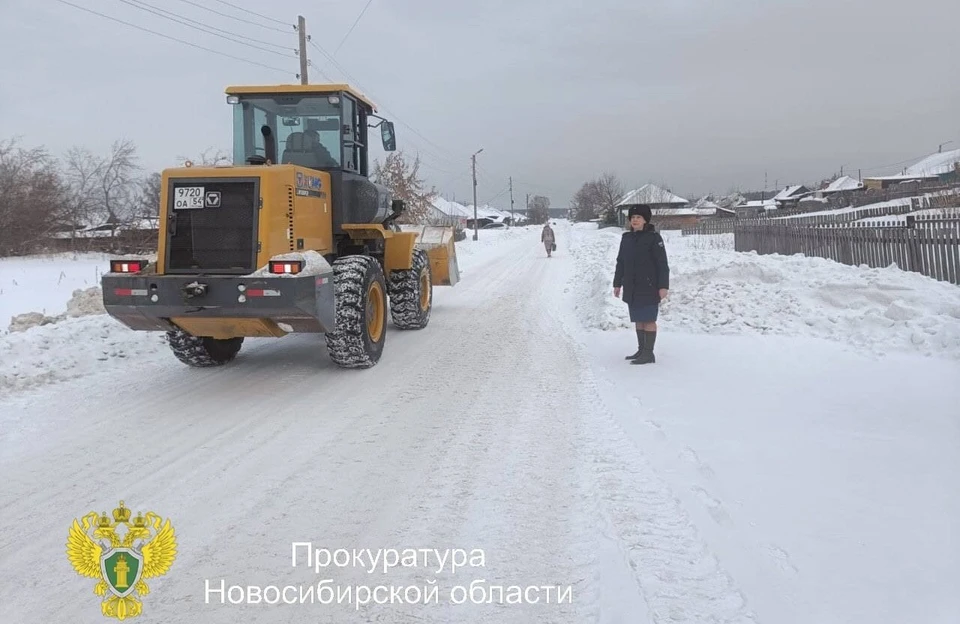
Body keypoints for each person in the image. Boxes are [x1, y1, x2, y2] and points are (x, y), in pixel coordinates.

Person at [613, 205, 669, 364]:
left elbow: (662, 263)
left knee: (649, 319)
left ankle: (648, 353)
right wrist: (617, 283)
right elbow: (621, 262)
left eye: (638, 217)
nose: (635, 220)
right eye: (632, 217)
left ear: (645, 220)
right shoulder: (626, 238)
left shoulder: (654, 238)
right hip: (632, 285)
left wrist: (663, 286)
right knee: (638, 318)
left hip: (649, 285)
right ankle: (641, 350)